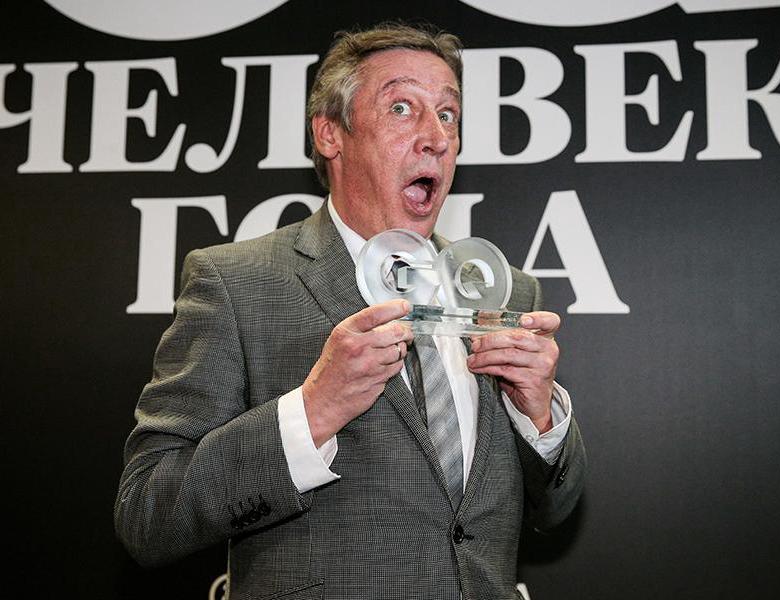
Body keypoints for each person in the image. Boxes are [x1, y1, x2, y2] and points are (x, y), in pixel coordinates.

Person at [115, 22, 586, 600]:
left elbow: (555, 510)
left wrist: (540, 420)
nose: (436, 137)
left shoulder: (507, 295)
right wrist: (312, 412)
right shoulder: (235, 282)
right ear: (330, 133)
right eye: (402, 107)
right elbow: (148, 513)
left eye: (448, 115)